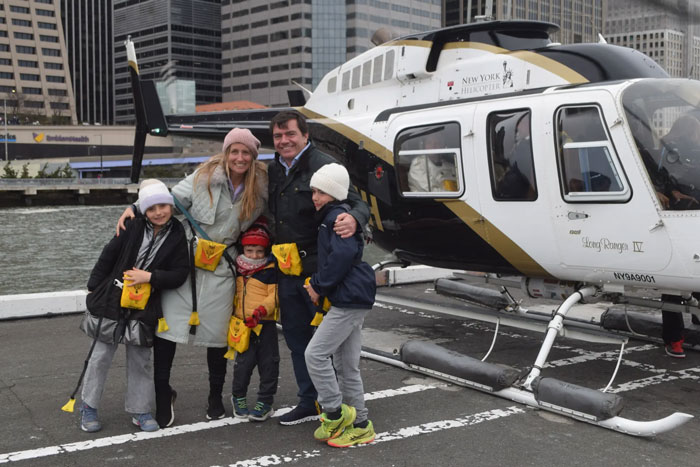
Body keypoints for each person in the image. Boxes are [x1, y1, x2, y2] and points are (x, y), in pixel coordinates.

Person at [117, 128, 267, 427]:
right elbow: (167, 199)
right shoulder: (203, 176)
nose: (239, 157)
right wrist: (134, 208)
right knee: (167, 330)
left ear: (253, 157)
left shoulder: (260, 186)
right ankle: (163, 394)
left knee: (217, 335)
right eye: (234, 151)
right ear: (226, 153)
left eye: (245, 152)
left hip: (222, 265)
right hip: (185, 260)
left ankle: (215, 396)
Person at [267, 110, 370, 425]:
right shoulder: (272, 169)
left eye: (290, 134)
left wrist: (355, 219)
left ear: (305, 135)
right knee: (297, 338)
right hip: (287, 269)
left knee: (325, 345)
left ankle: (336, 407)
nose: (284, 141)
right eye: (278, 136)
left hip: (318, 271)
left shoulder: (324, 165)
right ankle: (309, 401)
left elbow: (357, 202)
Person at [80, 179, 189, 433]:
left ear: (171, 205)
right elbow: (109, 253)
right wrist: (94, 285)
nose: (158, 212)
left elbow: (181, 272)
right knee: (100, 356)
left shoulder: (177, 233)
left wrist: (150, 277)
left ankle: (140, 410)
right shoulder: (132, 225)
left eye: (163, 205)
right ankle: (88, 406)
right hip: (112, 299)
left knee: (140, 359)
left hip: (145, 303)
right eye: (151, 209)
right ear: (144, 210)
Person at [303, 163, 377, 447]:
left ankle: (334, 413)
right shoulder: (337, 215)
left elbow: (342, 255)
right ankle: (361, 424)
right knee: (347, 366)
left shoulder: (334, 218)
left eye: (320, 191)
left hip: (348, 299)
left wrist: (317, 286)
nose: (315, 197)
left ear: (334, 192)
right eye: (313, 191)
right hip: (356, 297)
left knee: (316, 354)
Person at [229, 220, 279, 422]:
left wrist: (260, 311)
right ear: (243, 249)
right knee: (242, 365)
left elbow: (275, 296)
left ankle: (265, 401)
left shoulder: (271, 270)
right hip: (242, 326)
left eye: (259, 251)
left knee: (269, 364)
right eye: (250, 250)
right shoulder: (236, 270)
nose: (255, 255)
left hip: (264, 324)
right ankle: (238, 397)